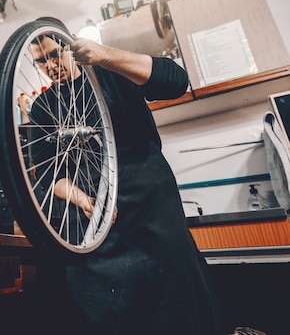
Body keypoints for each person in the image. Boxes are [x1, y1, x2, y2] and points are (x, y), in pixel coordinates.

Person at [28, 25, 227, 334]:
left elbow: (175, 81)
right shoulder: (42, 108)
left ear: (72, 46)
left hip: (152, 208)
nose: (51, 66)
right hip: (97, 220)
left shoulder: (111, 74)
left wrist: (104, 55)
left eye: (56, 54)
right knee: (110, 309)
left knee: (180, 298)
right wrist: (83, 200)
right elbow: (50, 175)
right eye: (41, 62)